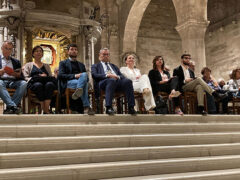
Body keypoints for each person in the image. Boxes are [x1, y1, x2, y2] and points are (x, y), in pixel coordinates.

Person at [91, 48, 136, 115]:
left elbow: (121, 76)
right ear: (99, 55)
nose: (106, 56)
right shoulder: (96, 66)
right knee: (111, 80)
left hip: (116, 81)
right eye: (104, 54)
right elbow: (94, 75)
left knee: (128, 81)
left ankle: (131, 107)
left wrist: (117, 76)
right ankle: (108, 107)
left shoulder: (114, 66)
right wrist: (107, 75)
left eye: (107, 54)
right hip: (104, 82)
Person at [58, 44, 94, 115]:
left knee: (84, 76)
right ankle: (86, 107)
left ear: (77, 52)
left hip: (78, 83)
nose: (74, 51)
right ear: (68, 52)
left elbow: (86, 78)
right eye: (72, 49)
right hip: (69, 83)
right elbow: (60, 75)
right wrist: (75, 76)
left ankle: (79, 89)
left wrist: (81, 79)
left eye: (75, 49)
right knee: (84, 78)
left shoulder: (81, 65)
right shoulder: (63, 63)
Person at [23, 45, 57, 114]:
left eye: (40, 51)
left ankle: (46, 110)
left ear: (42, 54)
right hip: (34, 84)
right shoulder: (28, 65)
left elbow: (50, 76)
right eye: (36, 51)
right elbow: (25, 77)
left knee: (50, 84)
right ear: (33, 54)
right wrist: (37, 77)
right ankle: (44, 109)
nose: (38, 53)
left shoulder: (46, 65)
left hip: (46, 83)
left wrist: (45, 76)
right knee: (39, 85)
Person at [0, 40, 27, 114]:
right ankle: (13, 107)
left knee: (24, 83)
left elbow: (20, 75)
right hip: (1, 80)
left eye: (10, 49)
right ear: (2, 48)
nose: (8, 51)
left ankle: (11, 107)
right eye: (6, 48)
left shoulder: (16, 61)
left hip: (13, 81)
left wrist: (15, 74)